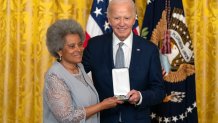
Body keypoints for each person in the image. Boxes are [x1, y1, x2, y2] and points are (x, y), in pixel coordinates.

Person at [82, 0, 166, 123]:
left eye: (126, 18)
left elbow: (159, 91)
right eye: (116, 18)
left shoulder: (149, 49)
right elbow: (76, 74)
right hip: (103, 119)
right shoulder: (95, 46)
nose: (122, 23)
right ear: (109, 19)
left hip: (137, 119)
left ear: (134, 19)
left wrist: (140, 97)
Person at [43, 19, 123, 123]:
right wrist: (102, 105)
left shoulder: (80, 67)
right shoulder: (54, 76)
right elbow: (67, 118)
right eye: (72, 46)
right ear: (59, 51)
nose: (79, 49)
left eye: (80, 44)